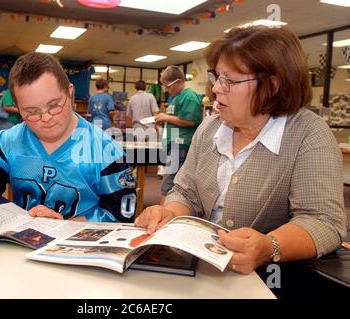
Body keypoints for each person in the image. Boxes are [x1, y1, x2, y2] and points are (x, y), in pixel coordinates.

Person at [135, 26, 346, 275]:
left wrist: (269, 246)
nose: (215, 89)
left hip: (268, 280)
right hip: (200, 270)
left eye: (230, 81)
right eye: (217, 77)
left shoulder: (308, 134)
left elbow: (323, 221)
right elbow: (185, 192)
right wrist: (169, 213)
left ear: (273, 85)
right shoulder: (209, 128)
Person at [0, 52, 137, 248]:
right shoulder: (7, 142)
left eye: (54, 105)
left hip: (80, 252)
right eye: (32, 112)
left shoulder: (105, 150)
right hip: (20, 252)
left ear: (70, 93)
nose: (46, 118)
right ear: (17, 109)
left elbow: (122, 216)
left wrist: (63, 226)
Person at [155, 66, 202, 203]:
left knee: (168, 183)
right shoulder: (177, 97)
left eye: (168, 86)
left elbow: (189, 120)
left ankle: (163, 217)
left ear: (179, 81)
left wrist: (166, 117)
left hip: (180, 144)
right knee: (171, 182)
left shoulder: (189, 96)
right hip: (173, 144)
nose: (166, 90)